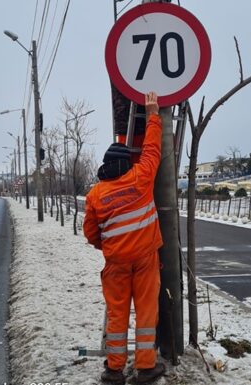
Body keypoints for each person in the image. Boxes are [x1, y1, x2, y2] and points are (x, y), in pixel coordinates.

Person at [83, 92, 165, 385]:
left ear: (105, 168)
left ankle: (114, 371)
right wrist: (153, 115)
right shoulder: (141, 177)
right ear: (127, 164)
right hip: (145, 260)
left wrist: (111, 246)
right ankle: (145, 369)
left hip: (116, 264)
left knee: (117, 315)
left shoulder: (95, 194)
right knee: (146, 313)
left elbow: (91, 233)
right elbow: (153, 149)